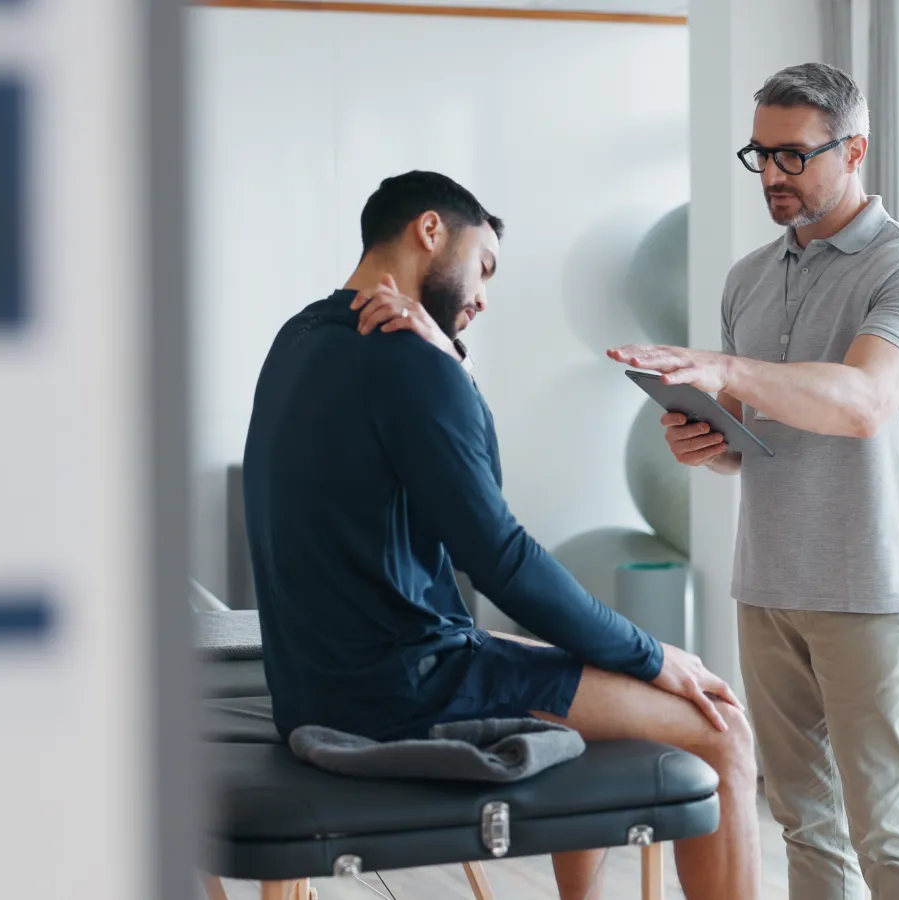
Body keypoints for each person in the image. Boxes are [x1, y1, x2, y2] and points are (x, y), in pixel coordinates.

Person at [240, 170, 761, 900]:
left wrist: (449, 363)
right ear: (430, 231)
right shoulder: (407, 362)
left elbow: (471, 503)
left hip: (315, 683)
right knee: (724, 729)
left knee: (569, 660)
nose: (483, 295)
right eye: (482, 265)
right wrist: (653, 657)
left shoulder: (297, 338)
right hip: (403, 688)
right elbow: (500, 556)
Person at [610, 62, 899, 900]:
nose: (771, 175)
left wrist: (726, 366)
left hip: (870, 588)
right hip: (767, 582)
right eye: (759, 154)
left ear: (855, 149)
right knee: (803, 819)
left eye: (794, 156)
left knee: (887, 828)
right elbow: (759, 438)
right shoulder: (749, 279)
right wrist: (710, 443)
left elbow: (866, 401)